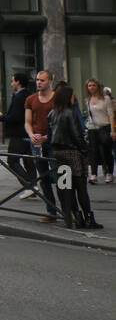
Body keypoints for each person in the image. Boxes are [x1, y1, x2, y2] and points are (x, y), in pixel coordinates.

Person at [49, 84, 101, 229]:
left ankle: (76, 217)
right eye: (72, 96)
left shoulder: (52, 113)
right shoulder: (69, 113)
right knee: (81, 188)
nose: (74, 98)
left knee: (67, 187)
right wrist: (84, 150)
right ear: (67, 97)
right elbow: (76, 135)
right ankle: (89, 218)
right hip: (72, 153)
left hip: (58, 153)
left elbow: (50, 133)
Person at [26, 70, 62, 222]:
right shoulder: (31, 99)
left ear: (50, 82)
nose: (38, 82)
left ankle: (68, 210)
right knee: (44, 177)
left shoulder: (57, 99)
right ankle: (51, 211)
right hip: (37, 143)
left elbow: (60, 123)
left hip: (53, 142)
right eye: (37, 80)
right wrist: (31, 135)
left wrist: (47, 137)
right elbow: (27, 121)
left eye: (42, 80)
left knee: (59, 177)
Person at [0, 72, 33, 187]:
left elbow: (16, 117)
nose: (11, 83)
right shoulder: (28, 94)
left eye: (13, 81)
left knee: (12, 161)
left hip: (18, 133)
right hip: (27, 133)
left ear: (18, 82)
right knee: (28, 161)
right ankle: (32, 185)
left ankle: (29, 184)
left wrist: (1, 117)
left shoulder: (19, 97)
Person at [83, 78, 115, 184]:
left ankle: (109, 173)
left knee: (106, 151)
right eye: (89, 86)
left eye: (93, 85)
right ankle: (93, 174)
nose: (91, 87)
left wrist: (112, 130)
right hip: (92, 128)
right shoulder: (88, 99)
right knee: (92, 151)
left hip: (104, 127)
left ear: (98, 87)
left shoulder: (106, 99)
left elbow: (111, 115)